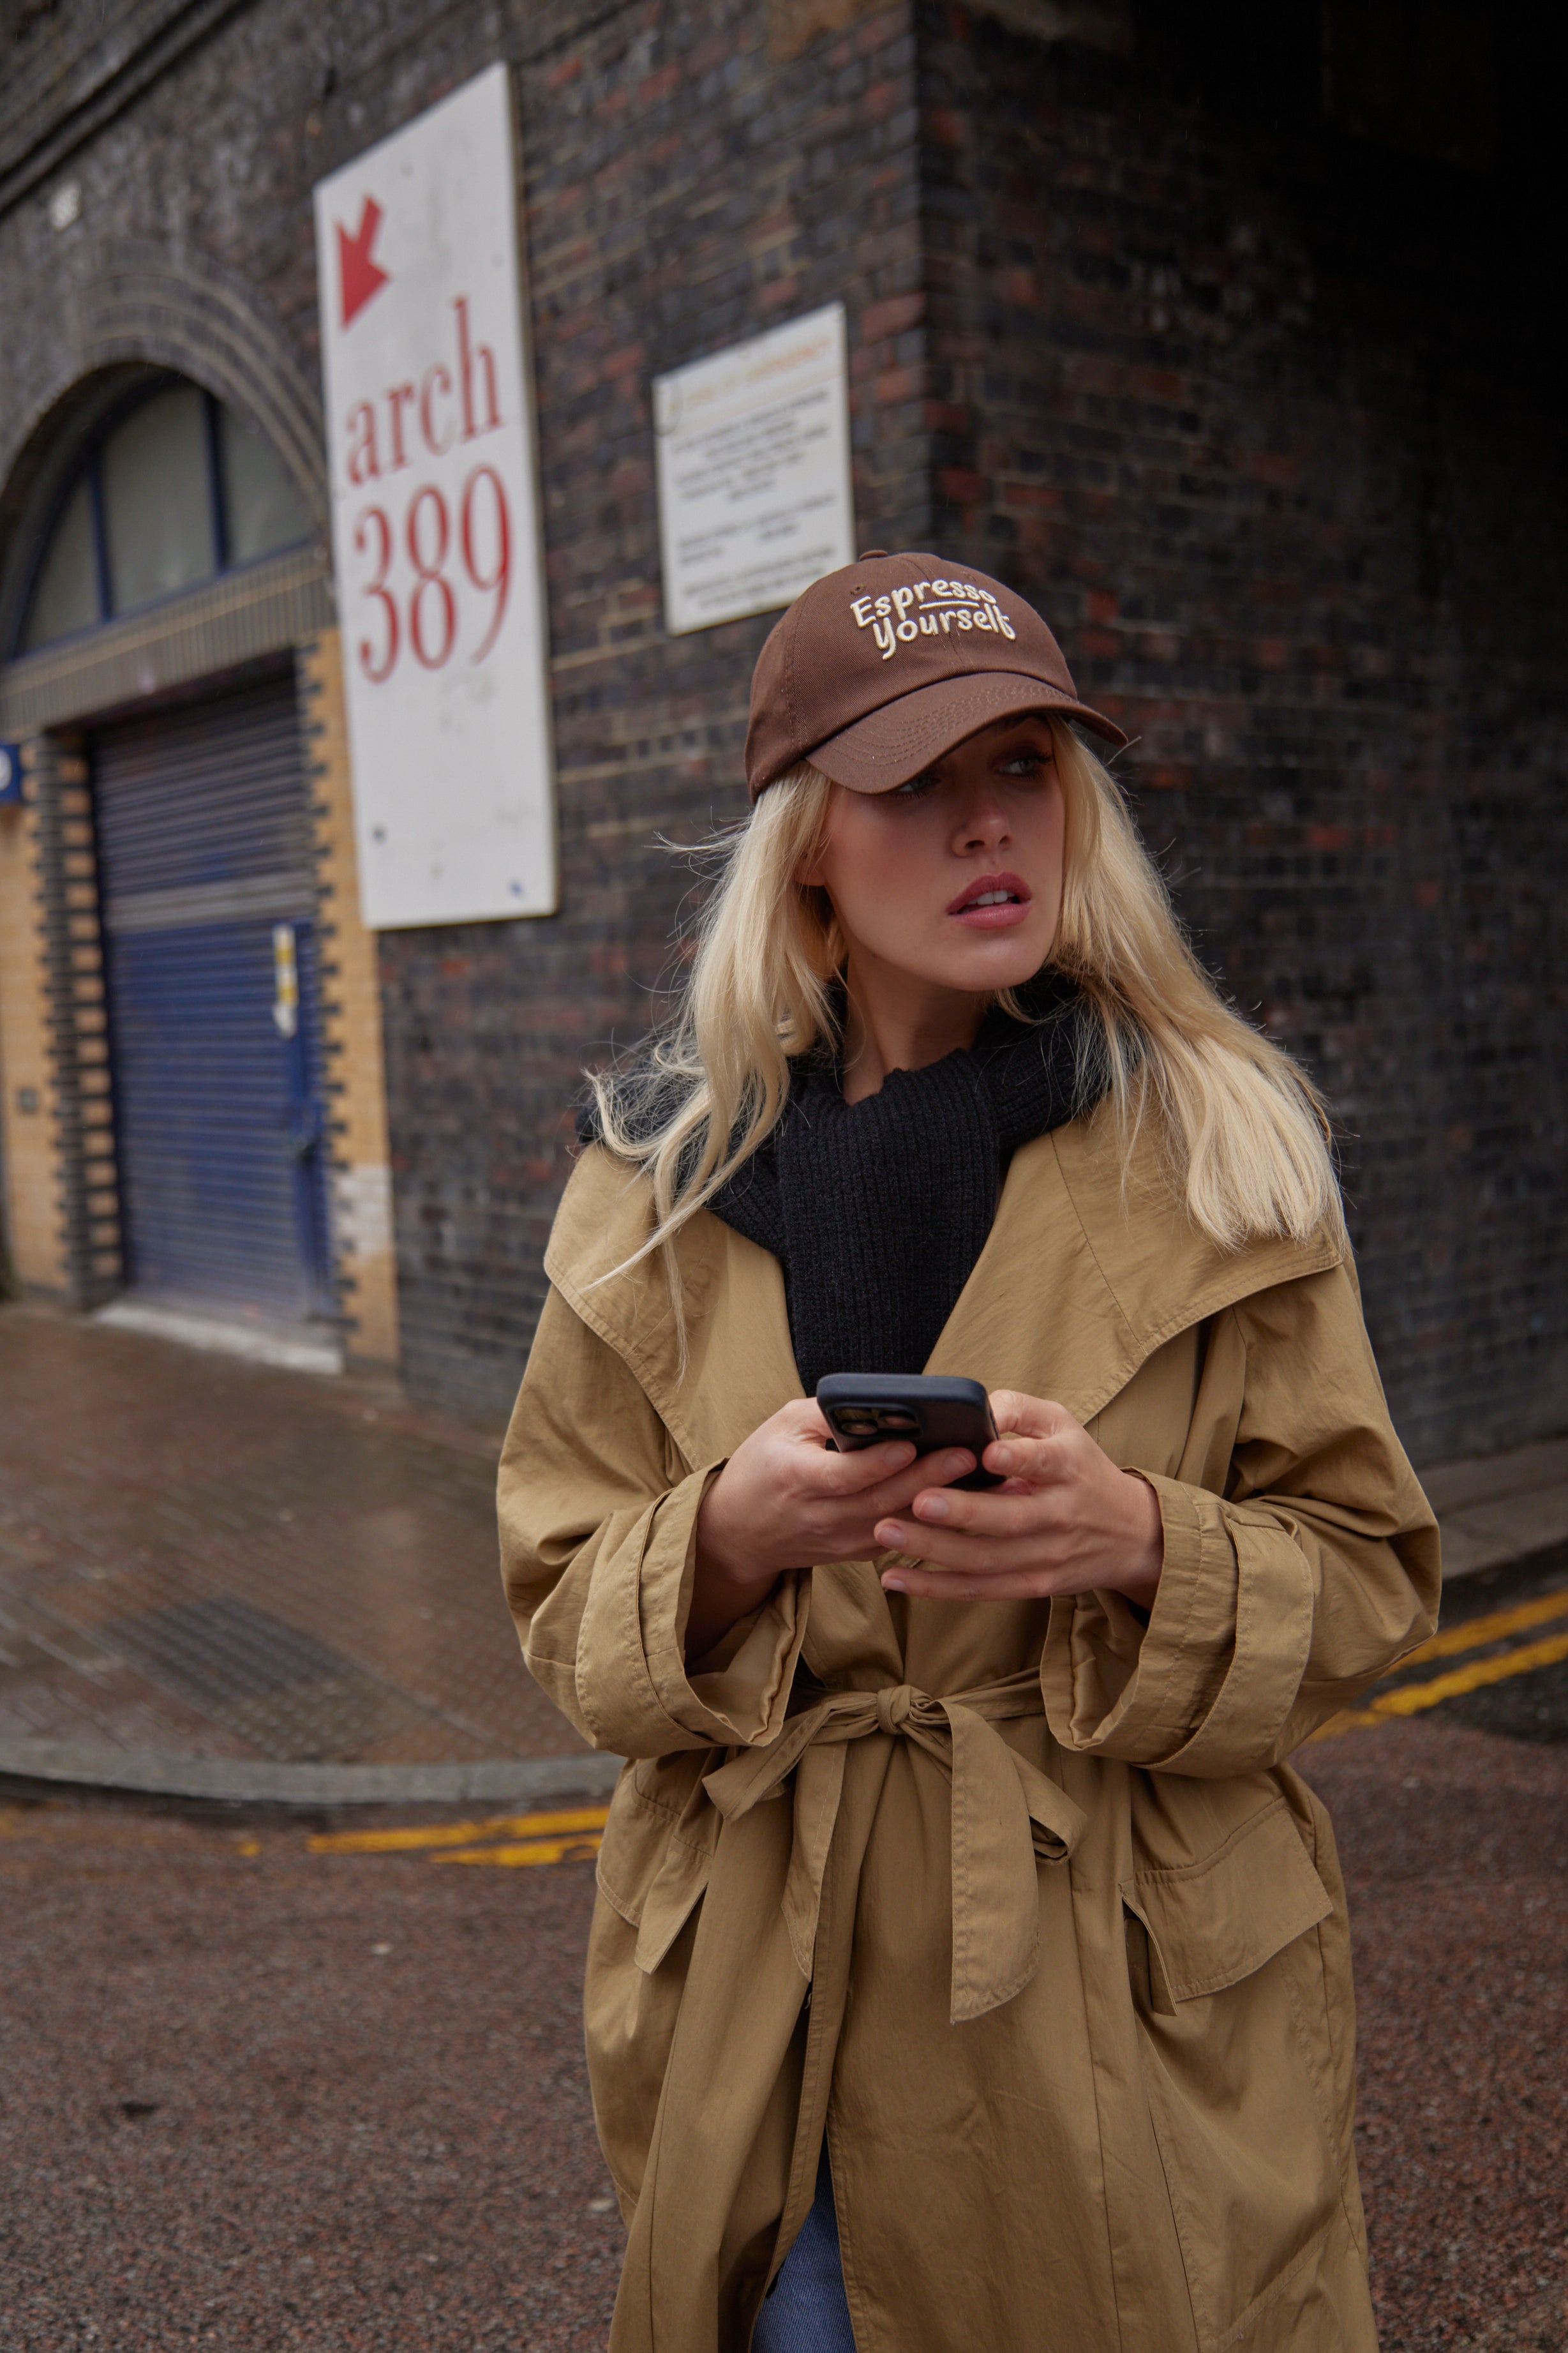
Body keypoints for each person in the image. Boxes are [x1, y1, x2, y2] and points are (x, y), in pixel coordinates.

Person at [498, 551, 1440, 2353]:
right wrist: (724, 1538)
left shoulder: (1221, 1148)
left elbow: (1371, 1575)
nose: (984, 824)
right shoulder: (650, 1191)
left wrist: (1143, 1545)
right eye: (917, 784)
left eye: (1022, 769)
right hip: (774, 2017)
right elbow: (556, 1595)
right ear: (805, 849)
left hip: (1116, 2018)